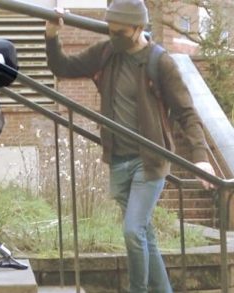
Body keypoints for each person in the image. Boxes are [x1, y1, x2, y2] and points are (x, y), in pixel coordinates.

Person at [45, 0, 215, 292]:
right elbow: (62, 67)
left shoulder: (159, 62)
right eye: (110, 31)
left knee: (133, 231)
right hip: (118, 159)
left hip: (149, 161)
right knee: (144, 233)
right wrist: (51, 36)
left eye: (120, 32)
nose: (114, 36)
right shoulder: (107, 53)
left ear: (139, 29)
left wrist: (200, 157)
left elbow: (187, 112)